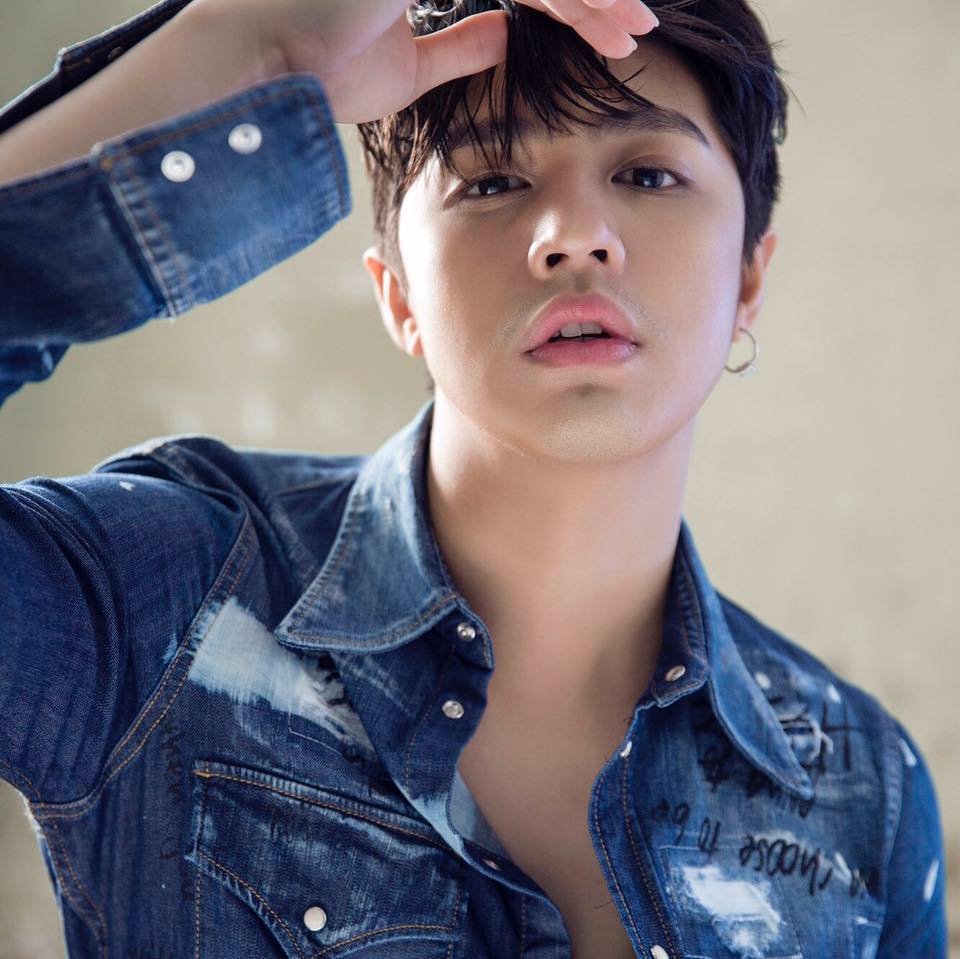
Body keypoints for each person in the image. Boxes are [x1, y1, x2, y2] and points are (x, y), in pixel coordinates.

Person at [0, 0, 947, 955]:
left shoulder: (865, 792)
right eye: (492, 180)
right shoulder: (159, 597)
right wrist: (252, 42)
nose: (574, 233)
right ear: (398, 294)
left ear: (748, 279)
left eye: (648, 174)